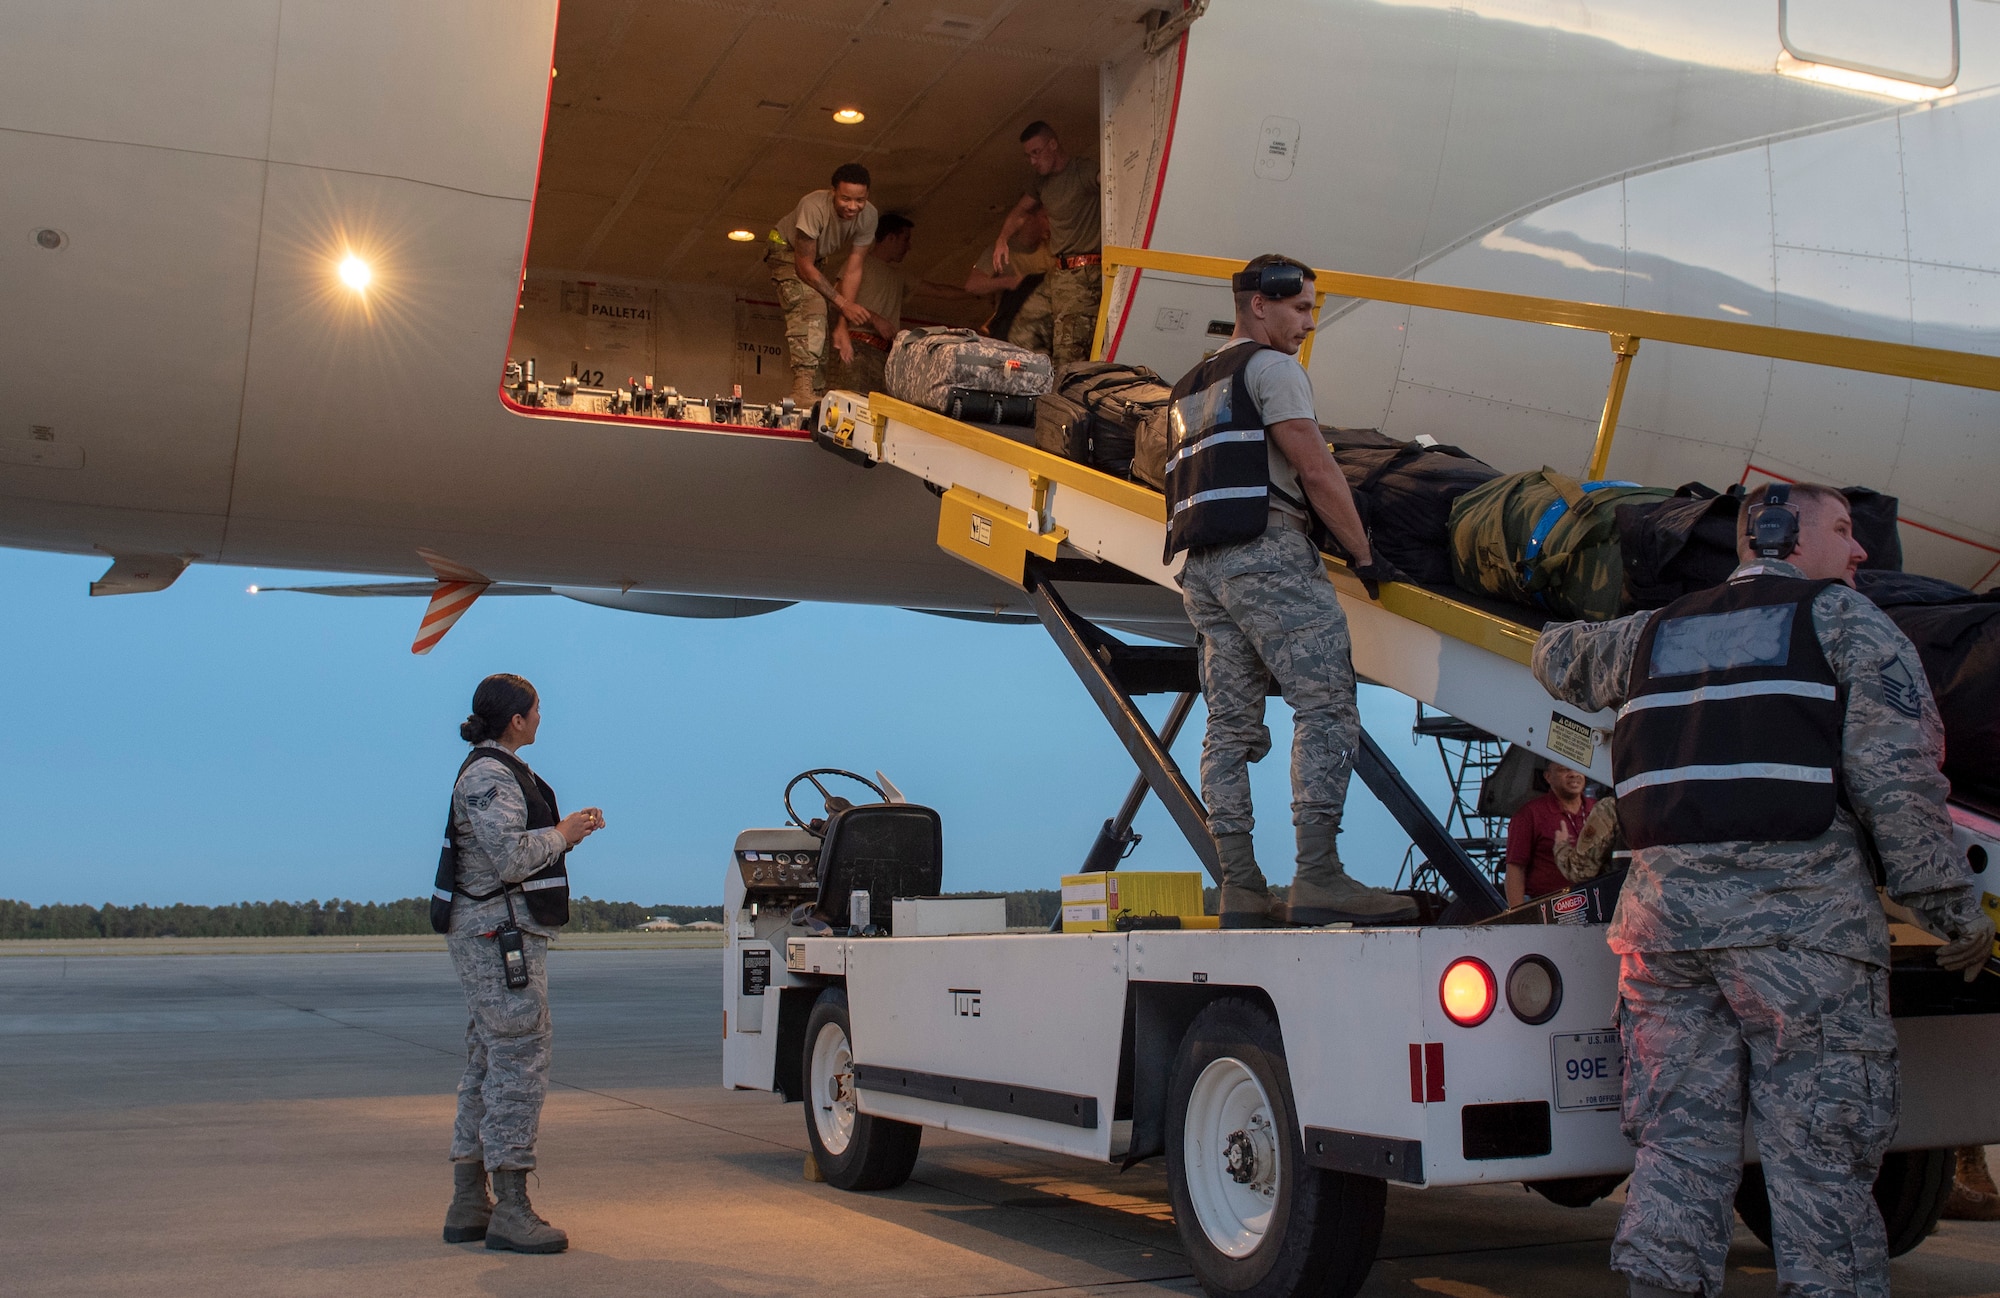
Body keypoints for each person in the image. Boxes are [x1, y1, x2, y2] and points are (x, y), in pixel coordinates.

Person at [1532, 481, 1994, 1298]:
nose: (1860, 552)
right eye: (1846, 532)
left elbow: (1555, 656)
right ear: (1782, 535)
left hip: (1664, 940)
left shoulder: (1650, 634)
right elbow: (1899, 778)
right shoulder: (1848, 624)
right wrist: (1950, 908)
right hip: (1799, 943)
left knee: (1677, 1152)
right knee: (1819, 1162)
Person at [1165, 253, 1410, 929]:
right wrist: (1363, 554)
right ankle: (1320, 875)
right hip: (1267, 552)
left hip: (1202, 569)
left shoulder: (1189, 385)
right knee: (1326, 702)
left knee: (1230, 726)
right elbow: (1313, 465)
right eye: (1299, 308)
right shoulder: (1273, 371)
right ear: (1259, 305)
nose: (1307, 322)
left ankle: (1241, 887)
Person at [440, 673, 604, 1254]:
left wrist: (564, 834)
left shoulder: (501, 770)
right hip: (496, 934)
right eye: (536, 711)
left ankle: (469, 1202)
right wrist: (561, 834)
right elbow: (509, 858)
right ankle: (510, 1207)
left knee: (488, 1057)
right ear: (516, 719)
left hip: (492, 930)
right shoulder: (489, 774)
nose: (540, 720)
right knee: (518, 1059)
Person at [990, 122, 1100, 371]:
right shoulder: (1041, 183)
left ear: (1053, 145)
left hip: (1085, 274)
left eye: (1036, 153)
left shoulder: (1082, 171)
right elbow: (1019, 211)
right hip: (1058, 273)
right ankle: (1043, 380)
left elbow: (1115, 185)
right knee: (1021, 333)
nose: (1032, 161)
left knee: (1069, 353)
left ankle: (1063, 398)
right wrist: (1001, 239)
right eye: (1028, 155)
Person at [767, 163, 879, 405]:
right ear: (833, 192)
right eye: (845, 199)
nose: (852, 206)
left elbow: (854, 267)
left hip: (816, 259)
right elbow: (803, 266)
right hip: (785, 251)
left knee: (823, 321)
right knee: (812, 304)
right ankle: (802, 390)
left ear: (867, 196)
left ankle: (815, 392)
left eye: (859, 200)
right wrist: (841, 302)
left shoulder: (869, 216)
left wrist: (842, 323)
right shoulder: (814, 206)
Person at [825, 213, 914, 396]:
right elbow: (836, 299)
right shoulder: (860, 264)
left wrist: (976, 289)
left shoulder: (899, 276)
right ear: (890, 237)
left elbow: (939, 291)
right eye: (905, 239)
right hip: (860, 349)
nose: (909, 247)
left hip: (887, 355)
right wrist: (874, 319)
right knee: (853, 408)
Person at [965, 207, 1055, 355]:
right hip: (1012, 331)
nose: (1050, 224)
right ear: (1028, 217)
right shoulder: (1001, 251)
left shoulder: (1052, 253)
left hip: (1044, 331)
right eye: (1045, 217)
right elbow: (972, 285)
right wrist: (1009, 282)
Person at [1504, 761, 1594, 906]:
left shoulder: (1600, 810)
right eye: (1564, 769)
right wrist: (1519, 917)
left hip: (1600, 904)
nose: (1573, 774)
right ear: (1548, 776)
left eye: (1579, 768)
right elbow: (1515, 867)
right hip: (1551, 910)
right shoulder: (1529, 814)